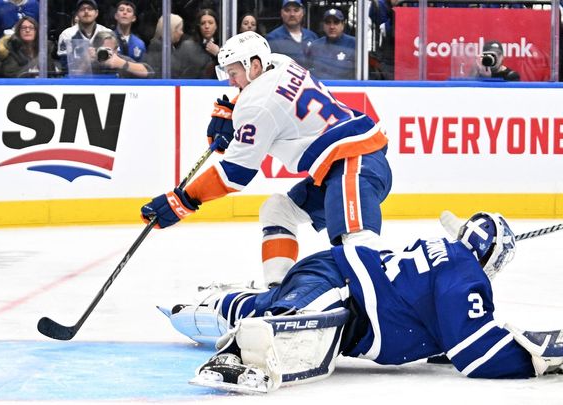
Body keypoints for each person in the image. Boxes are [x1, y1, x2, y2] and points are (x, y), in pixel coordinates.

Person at [164, 212, 563, 393]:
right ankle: (236, 355)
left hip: (345, 292)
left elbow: (450, 336)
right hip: (343, 283)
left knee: (270, 307)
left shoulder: (447, 255)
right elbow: (476, 355)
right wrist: (533, 360)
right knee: (291, 321)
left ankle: (213, 303)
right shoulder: (464, 275)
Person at [140, 31, 391, 287]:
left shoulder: (256, 106)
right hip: (345, 162)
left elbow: (234, 174)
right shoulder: (281, 62)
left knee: (358, 243)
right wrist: (235, 110)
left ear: (254, 65)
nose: (230, 82)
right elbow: (268, 96)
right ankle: (278, 288)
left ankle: (386, 303)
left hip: (353, 162)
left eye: (234, 73)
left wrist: (185, 199)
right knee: (277, 210)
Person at [57, 0, 112, 74]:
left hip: (104, 79)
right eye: (82, 9)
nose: (86, 11)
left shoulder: (108, 33)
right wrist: (86, 60)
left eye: (90, 9)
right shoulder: (66, 34)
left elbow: (114, 63)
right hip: (76, 82)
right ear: (77, 14)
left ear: (96, 13)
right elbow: (65, 68)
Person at [264, 0, 318, 69]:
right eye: (287, 10)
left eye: (296, 10)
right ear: (281, 13)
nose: (292, 14)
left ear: (302, 13)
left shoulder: (312, 36)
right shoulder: (272, 39)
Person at [307, 8, 356, 80]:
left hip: (346, 89)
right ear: (323, 25)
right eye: (328, 22)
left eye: (336, 22)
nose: (332, 27)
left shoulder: (354, 44)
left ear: (343, 25)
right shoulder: (315, 46)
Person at [88, 31, 153, 78]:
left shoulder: (121, 60)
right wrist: (86, 62)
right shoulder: (91, 61)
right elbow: (78, 76)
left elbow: (149, 73)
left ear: (116, 50)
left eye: (108, 50)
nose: (105, 53)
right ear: (94, 49)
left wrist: (121, 64)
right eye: (102, 50)